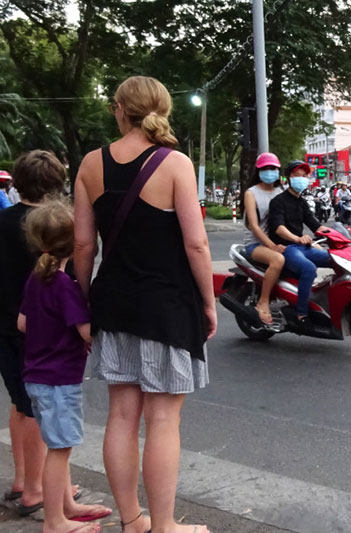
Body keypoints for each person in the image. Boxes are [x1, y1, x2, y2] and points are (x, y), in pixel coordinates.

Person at [74, 75, 214, 533]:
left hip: (113, 304)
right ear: (163, 111)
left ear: (119, 110)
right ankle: (165, 526)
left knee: (120, 415)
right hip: (167, 306)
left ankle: (132, 520)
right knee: (162, 419)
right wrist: (209, 304)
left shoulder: (91, 164)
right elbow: (196, 245)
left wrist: (83, 301)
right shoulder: (175, 164)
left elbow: (82, 246)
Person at [0, 151, 74, 517]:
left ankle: (25, 479)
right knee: (41, 408)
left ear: (16, 183)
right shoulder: (55, 225)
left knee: (20, 403)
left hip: (2, 325)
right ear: (56, 185)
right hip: (41, 330)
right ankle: (37, 490)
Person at [19, 200, 112, 533]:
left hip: (37, 377)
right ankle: (54, 521)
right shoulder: (66, 287)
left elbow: (22, 324)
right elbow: (85, 331)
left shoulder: (36, 280)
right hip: (60, 381)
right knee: (59, 450)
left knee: (58, 444)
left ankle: (67, 505)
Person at [268, 161, 330, 327]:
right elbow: (279, 228)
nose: (301, 179)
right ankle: (301, 313)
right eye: (297, 176)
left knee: (336, 259)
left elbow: (315, 224)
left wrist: (337, 235)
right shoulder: (278, 201)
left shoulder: (301, 202)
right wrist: (297, 239)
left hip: (303, 247)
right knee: (309, 268)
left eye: (304, 176)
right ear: (288, 178)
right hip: (287, 248)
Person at [243, 153, 286, 325]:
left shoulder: (281, 191)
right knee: (278, 260)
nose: (270, 172)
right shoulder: (251, 193)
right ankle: (263, 301)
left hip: (276, 241)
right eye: (266, 168)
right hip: (256, 244)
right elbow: (253, 226)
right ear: (259, 171)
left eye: (273, 168)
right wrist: (272, 246)